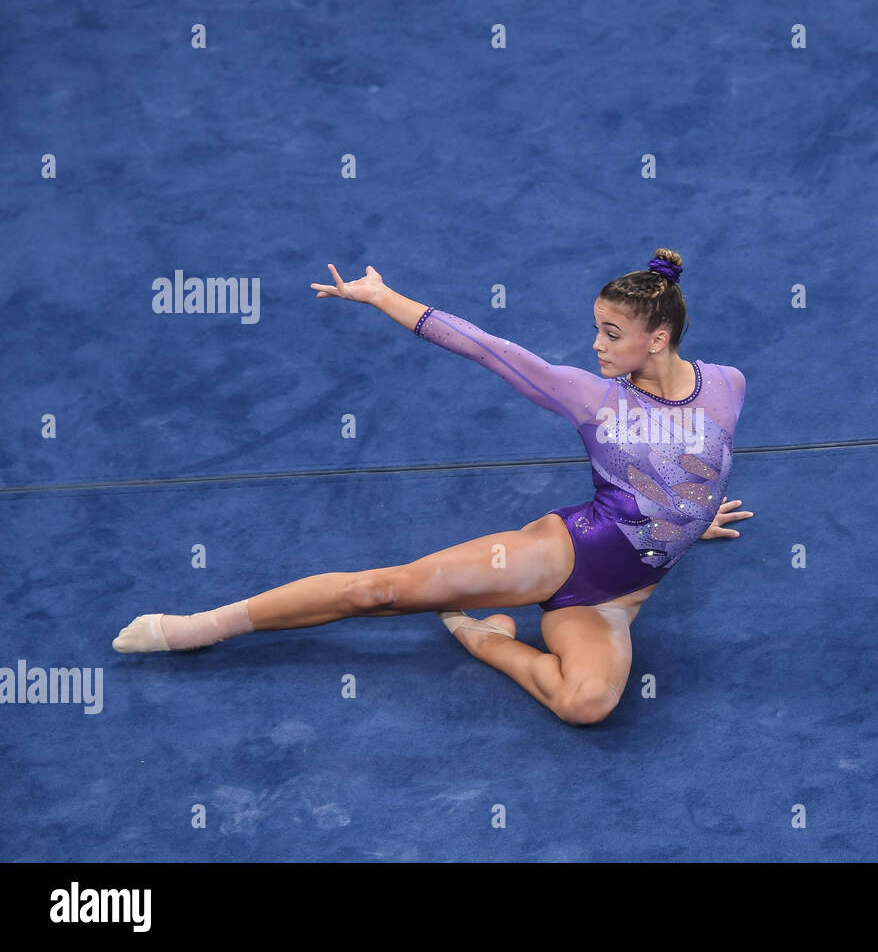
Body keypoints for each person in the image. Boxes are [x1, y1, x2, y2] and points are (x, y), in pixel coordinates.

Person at [115, 249, 750, 726]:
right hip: (564, 557)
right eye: (597, 327)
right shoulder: (593, 397)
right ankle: (200, 626)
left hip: (613, 603)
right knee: (380, 591)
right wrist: (384, 297)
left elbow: (697, 459)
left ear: (658, 338)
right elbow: (487, 348)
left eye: (611, 333)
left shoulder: (728, 385)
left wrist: (689, 518)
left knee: (587, 705)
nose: (595, 345)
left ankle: (484, 639)